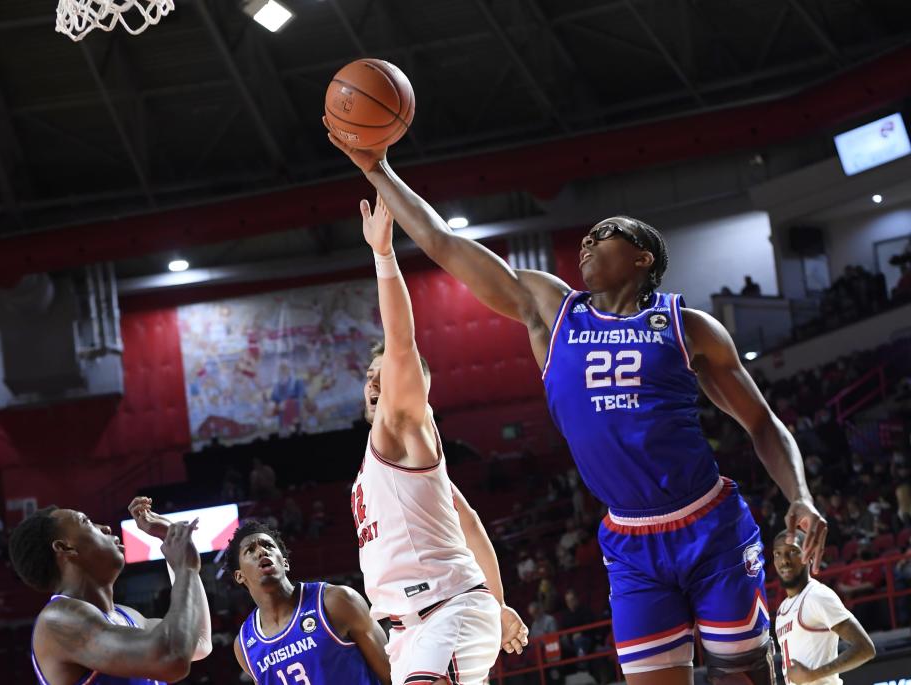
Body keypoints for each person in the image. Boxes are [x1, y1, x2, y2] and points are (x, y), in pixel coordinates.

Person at [325, 129, 827, 685]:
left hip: (709, 525)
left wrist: (799, 495)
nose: (587, 242)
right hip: (631, 542)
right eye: (585, 238)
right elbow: (443, 243)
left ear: (642, 257)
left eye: (604, 235)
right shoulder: (552, 312)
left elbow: (761, 422)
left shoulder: (688, 328)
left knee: (744, 677)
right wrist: (377, 168)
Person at [353, 193, 528, 685]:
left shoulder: (407, 426)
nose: (372, 382)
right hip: (407, 633)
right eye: (367, 375)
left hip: (446, 612)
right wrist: (500, 606)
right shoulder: (376, 469)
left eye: (381, 373)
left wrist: (383, 255)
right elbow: (469, 525)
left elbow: (401, 341)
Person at [7, 498, 212, 685]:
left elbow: (199, 642)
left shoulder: (127, 616)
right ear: (65, 548)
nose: (105, 527)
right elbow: (171, 658)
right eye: (86, 522)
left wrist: (169, 541)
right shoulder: (57, 620)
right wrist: (185, 569)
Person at [219, 519, 390, 685]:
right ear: (239, 576)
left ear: (285, 563)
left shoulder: (337, 601)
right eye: (250, 550)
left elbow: (392, 676)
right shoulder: (244, 645)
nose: (262, 552)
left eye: (268, 545)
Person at [773, 529, 875, 684]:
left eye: (792, 551)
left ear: (809, 556)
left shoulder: (817, 596)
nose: (784, 560)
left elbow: (865, 648)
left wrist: (813, 675)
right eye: (778, 554)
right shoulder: (782, 609)